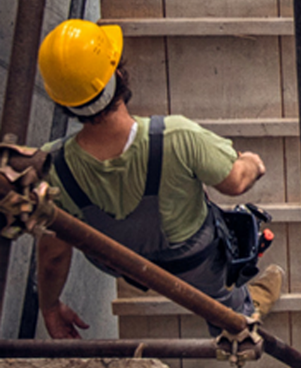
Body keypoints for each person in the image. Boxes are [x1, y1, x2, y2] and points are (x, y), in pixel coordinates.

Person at [33, 19, 283, 339]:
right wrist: (251, 163)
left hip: (126, 267)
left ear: (62, 101)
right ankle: (242, 317)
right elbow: (234, 183)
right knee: (224, 299)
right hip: (195, 265)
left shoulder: (52, 167)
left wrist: (50, 308)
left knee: (131, 260)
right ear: (119, 75)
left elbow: (53, 255)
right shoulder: (177, 137)